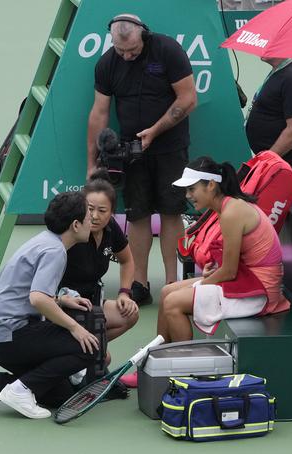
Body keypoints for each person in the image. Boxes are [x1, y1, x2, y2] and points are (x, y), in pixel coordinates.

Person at [87, 14, 197, 305]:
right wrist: (92, 163)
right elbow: (99, 113)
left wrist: (156, 130)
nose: (126, 55)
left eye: (132, 50)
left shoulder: (168, 50)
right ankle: (139, 283)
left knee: (172, 212)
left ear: (144, 35)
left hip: (170, 147)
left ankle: (173, 283)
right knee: (137, 216)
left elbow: (187, 99)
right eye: (120, 50)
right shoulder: (108, 64)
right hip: (129, 151)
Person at [0, 192, 99, 419]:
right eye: (89, 216)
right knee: (88, 349)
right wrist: (75, 328)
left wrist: (60, 299)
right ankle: (20, 389)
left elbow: (31, 294)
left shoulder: (44, 240)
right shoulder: (55, 251)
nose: (93, 220)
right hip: (10, 337)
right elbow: (38, 299)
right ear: (75, 225)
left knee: (60, 394)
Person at [157, 157, 290, 343]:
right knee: (166, 292)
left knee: (172, 302)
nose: (187, 195)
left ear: (211, 185)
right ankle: (157, 359)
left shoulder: (231, 213)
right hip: (248, 279)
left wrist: (204, 283)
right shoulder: (227, 206)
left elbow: (229, 271)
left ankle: (182, 365)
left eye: (192, 189)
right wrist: (209, 275)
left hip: (260, 291)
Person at [58, 170, 139, 345]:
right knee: (105, 359)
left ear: (111, 212)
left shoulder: (110, 227)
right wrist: (60, 299)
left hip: (92, 302)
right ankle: (85, 349)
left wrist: (124, 293)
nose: (95, 216)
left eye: (102, 210)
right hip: (65, 305)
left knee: (130, 314)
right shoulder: (70, 233)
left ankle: (92, 347)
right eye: (89, 209)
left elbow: (127, 261)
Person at [245, 57, 292, 210]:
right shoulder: (281, 72)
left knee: (283, 219)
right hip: (276, 164)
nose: (263, 47)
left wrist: (266, 161)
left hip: (284, 166)